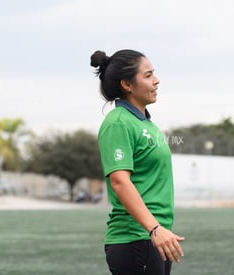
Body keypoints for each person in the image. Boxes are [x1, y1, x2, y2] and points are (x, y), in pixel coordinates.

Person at [90, 49, 185, 275]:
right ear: (127, 84)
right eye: (148, 75)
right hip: (136, 238)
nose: (156, 80)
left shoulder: (147, 124)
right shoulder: (118, 123)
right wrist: (153, 229)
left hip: (155, 236)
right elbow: (120, 182)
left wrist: (158, 230)